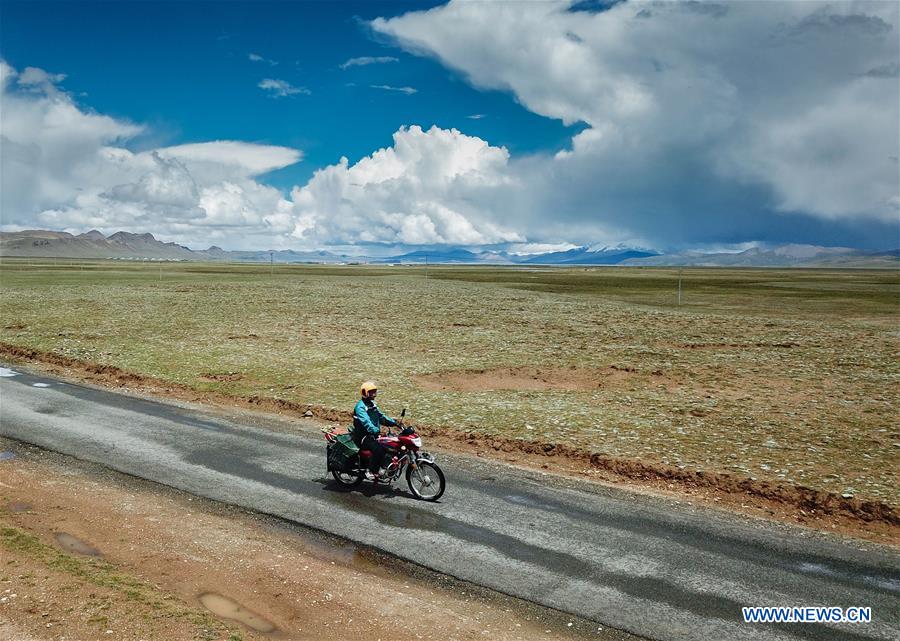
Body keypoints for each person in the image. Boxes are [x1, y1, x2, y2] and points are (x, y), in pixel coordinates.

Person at [352, 381, 400, 480]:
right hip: (363, 436)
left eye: (374, 391)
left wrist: (394, 422)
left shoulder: (372, 404)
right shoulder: (360, 407)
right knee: (379, 449)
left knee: (389, 445)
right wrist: (375, 431)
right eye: (371, 392)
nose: (374, 394)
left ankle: (384, 466)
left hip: (372, 434)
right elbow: (366, 422)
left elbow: (381, 417)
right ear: (365, 393)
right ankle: (370, 470)